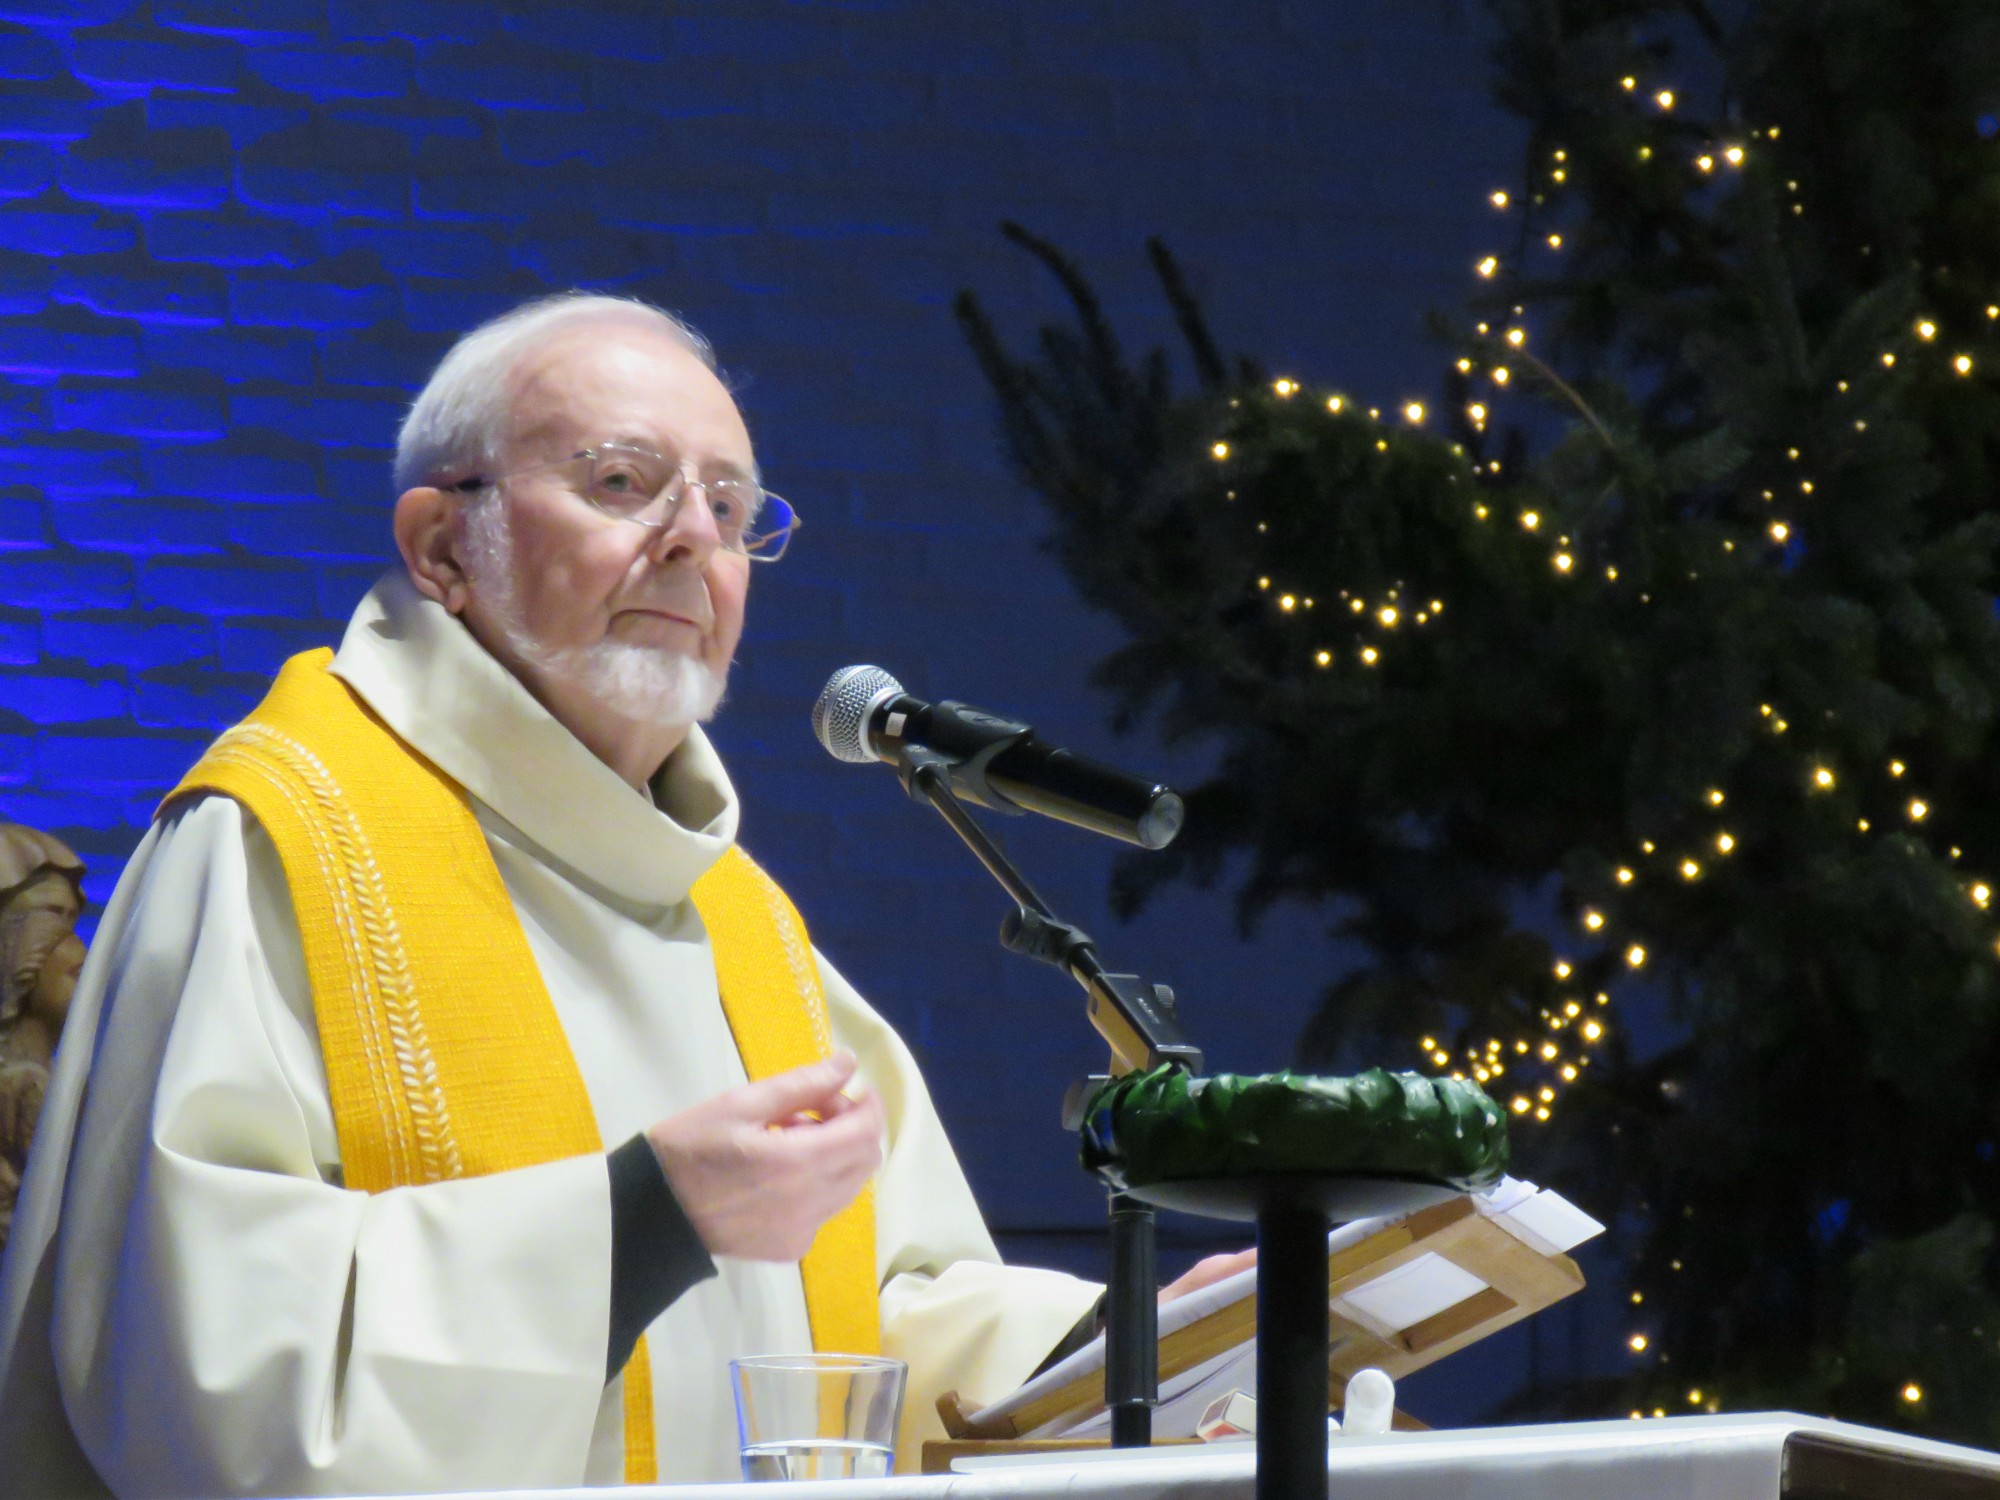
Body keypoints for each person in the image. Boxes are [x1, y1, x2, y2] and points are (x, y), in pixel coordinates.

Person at [0, 293, 1245, 1498]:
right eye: (619, 482)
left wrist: (1112, 1341)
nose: (693, 537)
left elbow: (861, 1317)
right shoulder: (283, 842)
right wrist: (643, 1216)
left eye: (729, 503)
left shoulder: (739, 922)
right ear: (443, 546)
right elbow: (202, 1370)